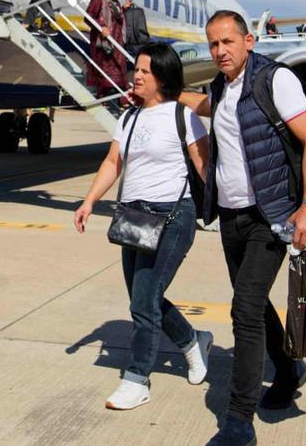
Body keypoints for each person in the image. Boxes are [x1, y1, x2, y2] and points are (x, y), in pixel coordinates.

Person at [179, 10, 306, 445]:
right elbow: (211, 107)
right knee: (257, 304)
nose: (220, 51)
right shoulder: (222, 86)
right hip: (232, 216)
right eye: (213, 44)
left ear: (249, 41)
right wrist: (170, 96)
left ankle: (238, 422)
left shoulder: (274, 80)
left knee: (244, 309)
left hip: (271, 216)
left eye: (227, 42)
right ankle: (288, 369)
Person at [74, 42, 212, 411]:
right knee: (144, 299)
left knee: (143, 301)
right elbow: (112, 162)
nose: (136, 75)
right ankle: (193, 341)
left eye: (144, 71)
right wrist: (89, 201)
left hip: (172, 217)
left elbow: (204, 168)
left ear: (162, 78)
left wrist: (225, 212)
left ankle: (137, 378)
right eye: (136, 69)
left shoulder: (184, 117)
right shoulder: (129, 118)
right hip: (134, 218)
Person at [86, 0, 128, 101]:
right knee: (104, 72)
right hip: (103, 43)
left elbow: (117, 17)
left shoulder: (115, 3)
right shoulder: (98, 0)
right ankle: (102, 97)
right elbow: (88, 18)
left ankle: (118, 99)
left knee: (119, 70)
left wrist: (124, 8)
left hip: (116, 41)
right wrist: (101, 28)